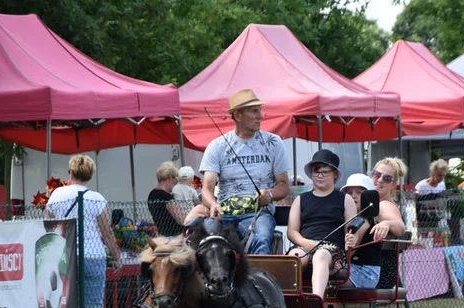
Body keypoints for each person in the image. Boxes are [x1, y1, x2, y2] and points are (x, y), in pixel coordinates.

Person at [45, 154, 122, 308]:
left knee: (60, 304)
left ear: (70, 172)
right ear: (90, 175)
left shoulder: (57, 195)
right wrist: (116, 256)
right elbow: (106, 231)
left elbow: (48, 223)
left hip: (64, 253)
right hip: (93, 255)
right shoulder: (96, 198)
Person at [200, 89, 291, 254]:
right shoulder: (217, 146)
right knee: (205, 236)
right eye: (254, 111)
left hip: (257, 214)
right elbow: (207, 187)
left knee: (262, 236)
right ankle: (209, 280)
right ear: (238, 115)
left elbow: (284, 186)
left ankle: (258, 278)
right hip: (224, 214)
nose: (261, 116)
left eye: (260, 110)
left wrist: (269, 195)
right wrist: (213, 204)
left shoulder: (274, 143)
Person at [286, 149, 355, 296]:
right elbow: (292, 231)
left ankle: (317, 300)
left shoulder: (345, 199)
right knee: (295, 257)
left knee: (321, 255)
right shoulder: (301, 199)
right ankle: (287, 302)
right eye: (316, 172)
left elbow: (350, 230)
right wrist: (307, 243)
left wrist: (351, 239)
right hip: (304, 245)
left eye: (325, 172)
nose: (319, 175)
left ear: (334, 174)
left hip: (331, 249)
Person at [343, 158, 407, 290]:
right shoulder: (368, 207)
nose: (380, 179)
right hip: (369, 270)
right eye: (377, 174)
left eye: (387, 178)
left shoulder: (383, 205)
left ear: (393, 184)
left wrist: (387, 224)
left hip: (377, 273)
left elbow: (400, 227)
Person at [148, 162, 188, 237]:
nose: (176, 184)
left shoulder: (151, 195)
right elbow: (181, 219)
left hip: (163, 236)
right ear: (170, 178)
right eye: (175, 181)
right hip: (176, 236)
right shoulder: (166, 197)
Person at [415, 158, 448, 231]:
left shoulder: (442, 185)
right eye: (439, 175)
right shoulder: (421, 186)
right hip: (423, 219)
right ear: (433, 173)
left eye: (443, 176)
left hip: (437, 216)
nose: (441, 178)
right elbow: (414, 201)